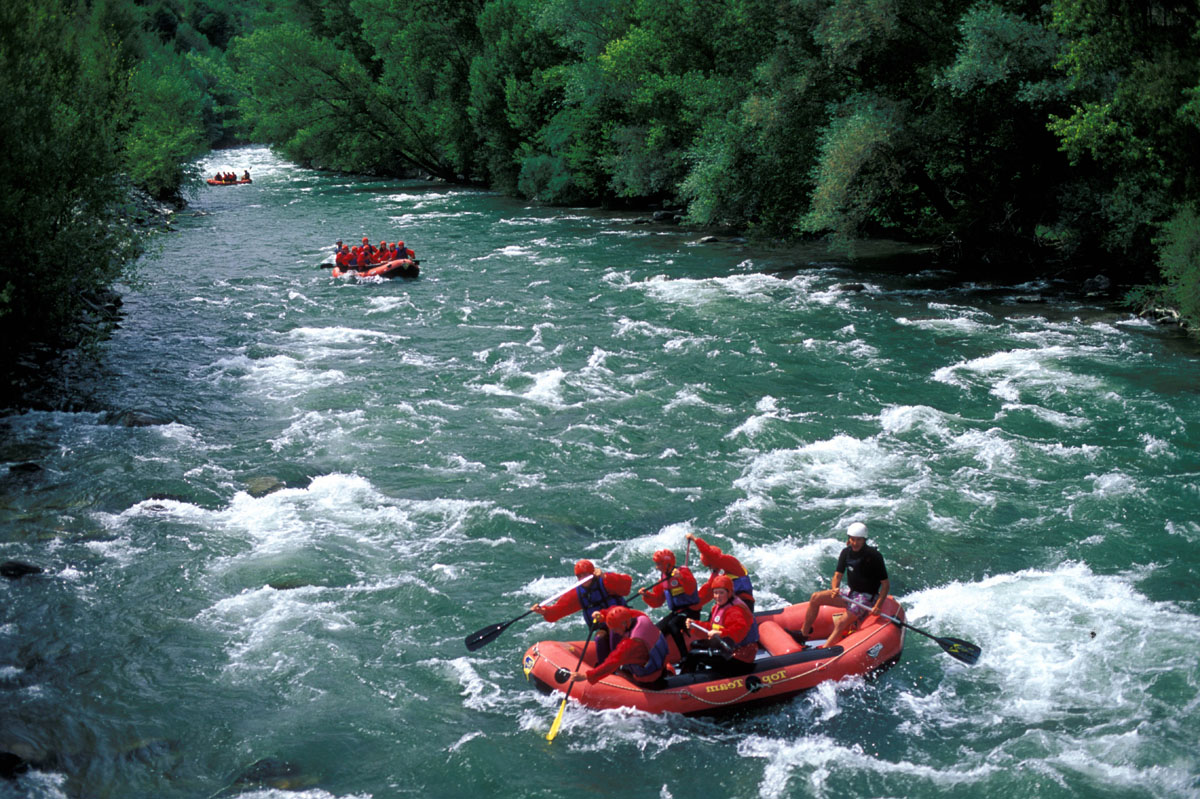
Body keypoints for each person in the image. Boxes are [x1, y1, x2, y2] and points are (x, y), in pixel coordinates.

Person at [800, 522, 890, 649]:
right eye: (852, 539)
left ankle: (825, 650)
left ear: (864, 540)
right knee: (815, 597)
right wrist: (835, 588)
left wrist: (878, 606)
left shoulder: (874, 556)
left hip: (867, 597)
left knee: (841, 622)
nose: (855, 543)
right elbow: (837, 575)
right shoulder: (846, 553)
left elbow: (885, 584)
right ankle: (803, 635)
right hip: (851, 592)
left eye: (858, 540)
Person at [569, 605, 669, 688]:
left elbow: (612, 662)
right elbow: (620, 611)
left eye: (615, 629)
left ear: (624, 624)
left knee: (618, 669)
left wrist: (586, 676)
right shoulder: (641, 617)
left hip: (648, 680)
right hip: (662, 667)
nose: (614, 631)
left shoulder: (630, 644)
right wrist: (603, 615)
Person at [681, 575, 759, 677]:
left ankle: (686, 681)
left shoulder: (735, 610)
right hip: (727, 647)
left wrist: (721, 633)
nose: (718, 596)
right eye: (715, 593)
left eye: (721, 593)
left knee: (694, 655)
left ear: (729, 593)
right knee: (695, 644)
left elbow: (739, 632)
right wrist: (695, 625)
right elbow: (712, 627)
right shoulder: (717, 607)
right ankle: (700, 674)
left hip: (741, 656)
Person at [531, 559, 632, 632]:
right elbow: (558, 610)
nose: (582, 578)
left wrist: (605, 576)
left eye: (585, 575)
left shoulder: (605, 581)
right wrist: (544, 611)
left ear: (592, 573)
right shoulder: (577, 593)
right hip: (604, 626)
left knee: (615, 633)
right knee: (600, 637)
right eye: (579, 576)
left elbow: (626, 585)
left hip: (623, 620)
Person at [639, 548, 701, 660]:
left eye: (659, 564)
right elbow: (658, 601)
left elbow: (691, 589)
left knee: (673, 624)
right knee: (656, 630)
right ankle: (658, 658)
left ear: (667, 564)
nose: (657, 567)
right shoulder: (663, 578)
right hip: (677, 612)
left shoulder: (683, 572)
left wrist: (682, 578)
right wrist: (647, 595)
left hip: (691, 611)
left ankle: (685, 657)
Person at [686, 532, 755, 610]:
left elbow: (710, 554)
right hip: (730, 604)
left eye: (710, 565)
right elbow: (706, 594)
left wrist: (695, 539)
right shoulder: (716, 575)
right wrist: (690, 604)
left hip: (745, 603)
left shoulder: (731, 562)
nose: (710, 568)